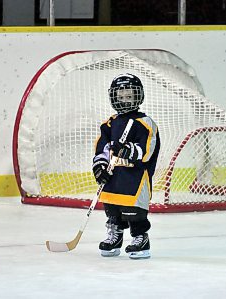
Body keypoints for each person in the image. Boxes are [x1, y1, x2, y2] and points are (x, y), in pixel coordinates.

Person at [92, 73, 160, 259]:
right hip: (114, 178)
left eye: (129, 96)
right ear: (113, 97)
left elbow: (147, 151)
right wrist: (100, 167)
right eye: (120, 96)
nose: (125, 100)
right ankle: (115, 236)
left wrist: (127, 149)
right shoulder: (110, 124)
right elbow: (102, 148)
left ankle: (140, 238)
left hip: (135, 178)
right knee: (113, 209)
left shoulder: (145, 123)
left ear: (139, 96)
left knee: (135, 211)